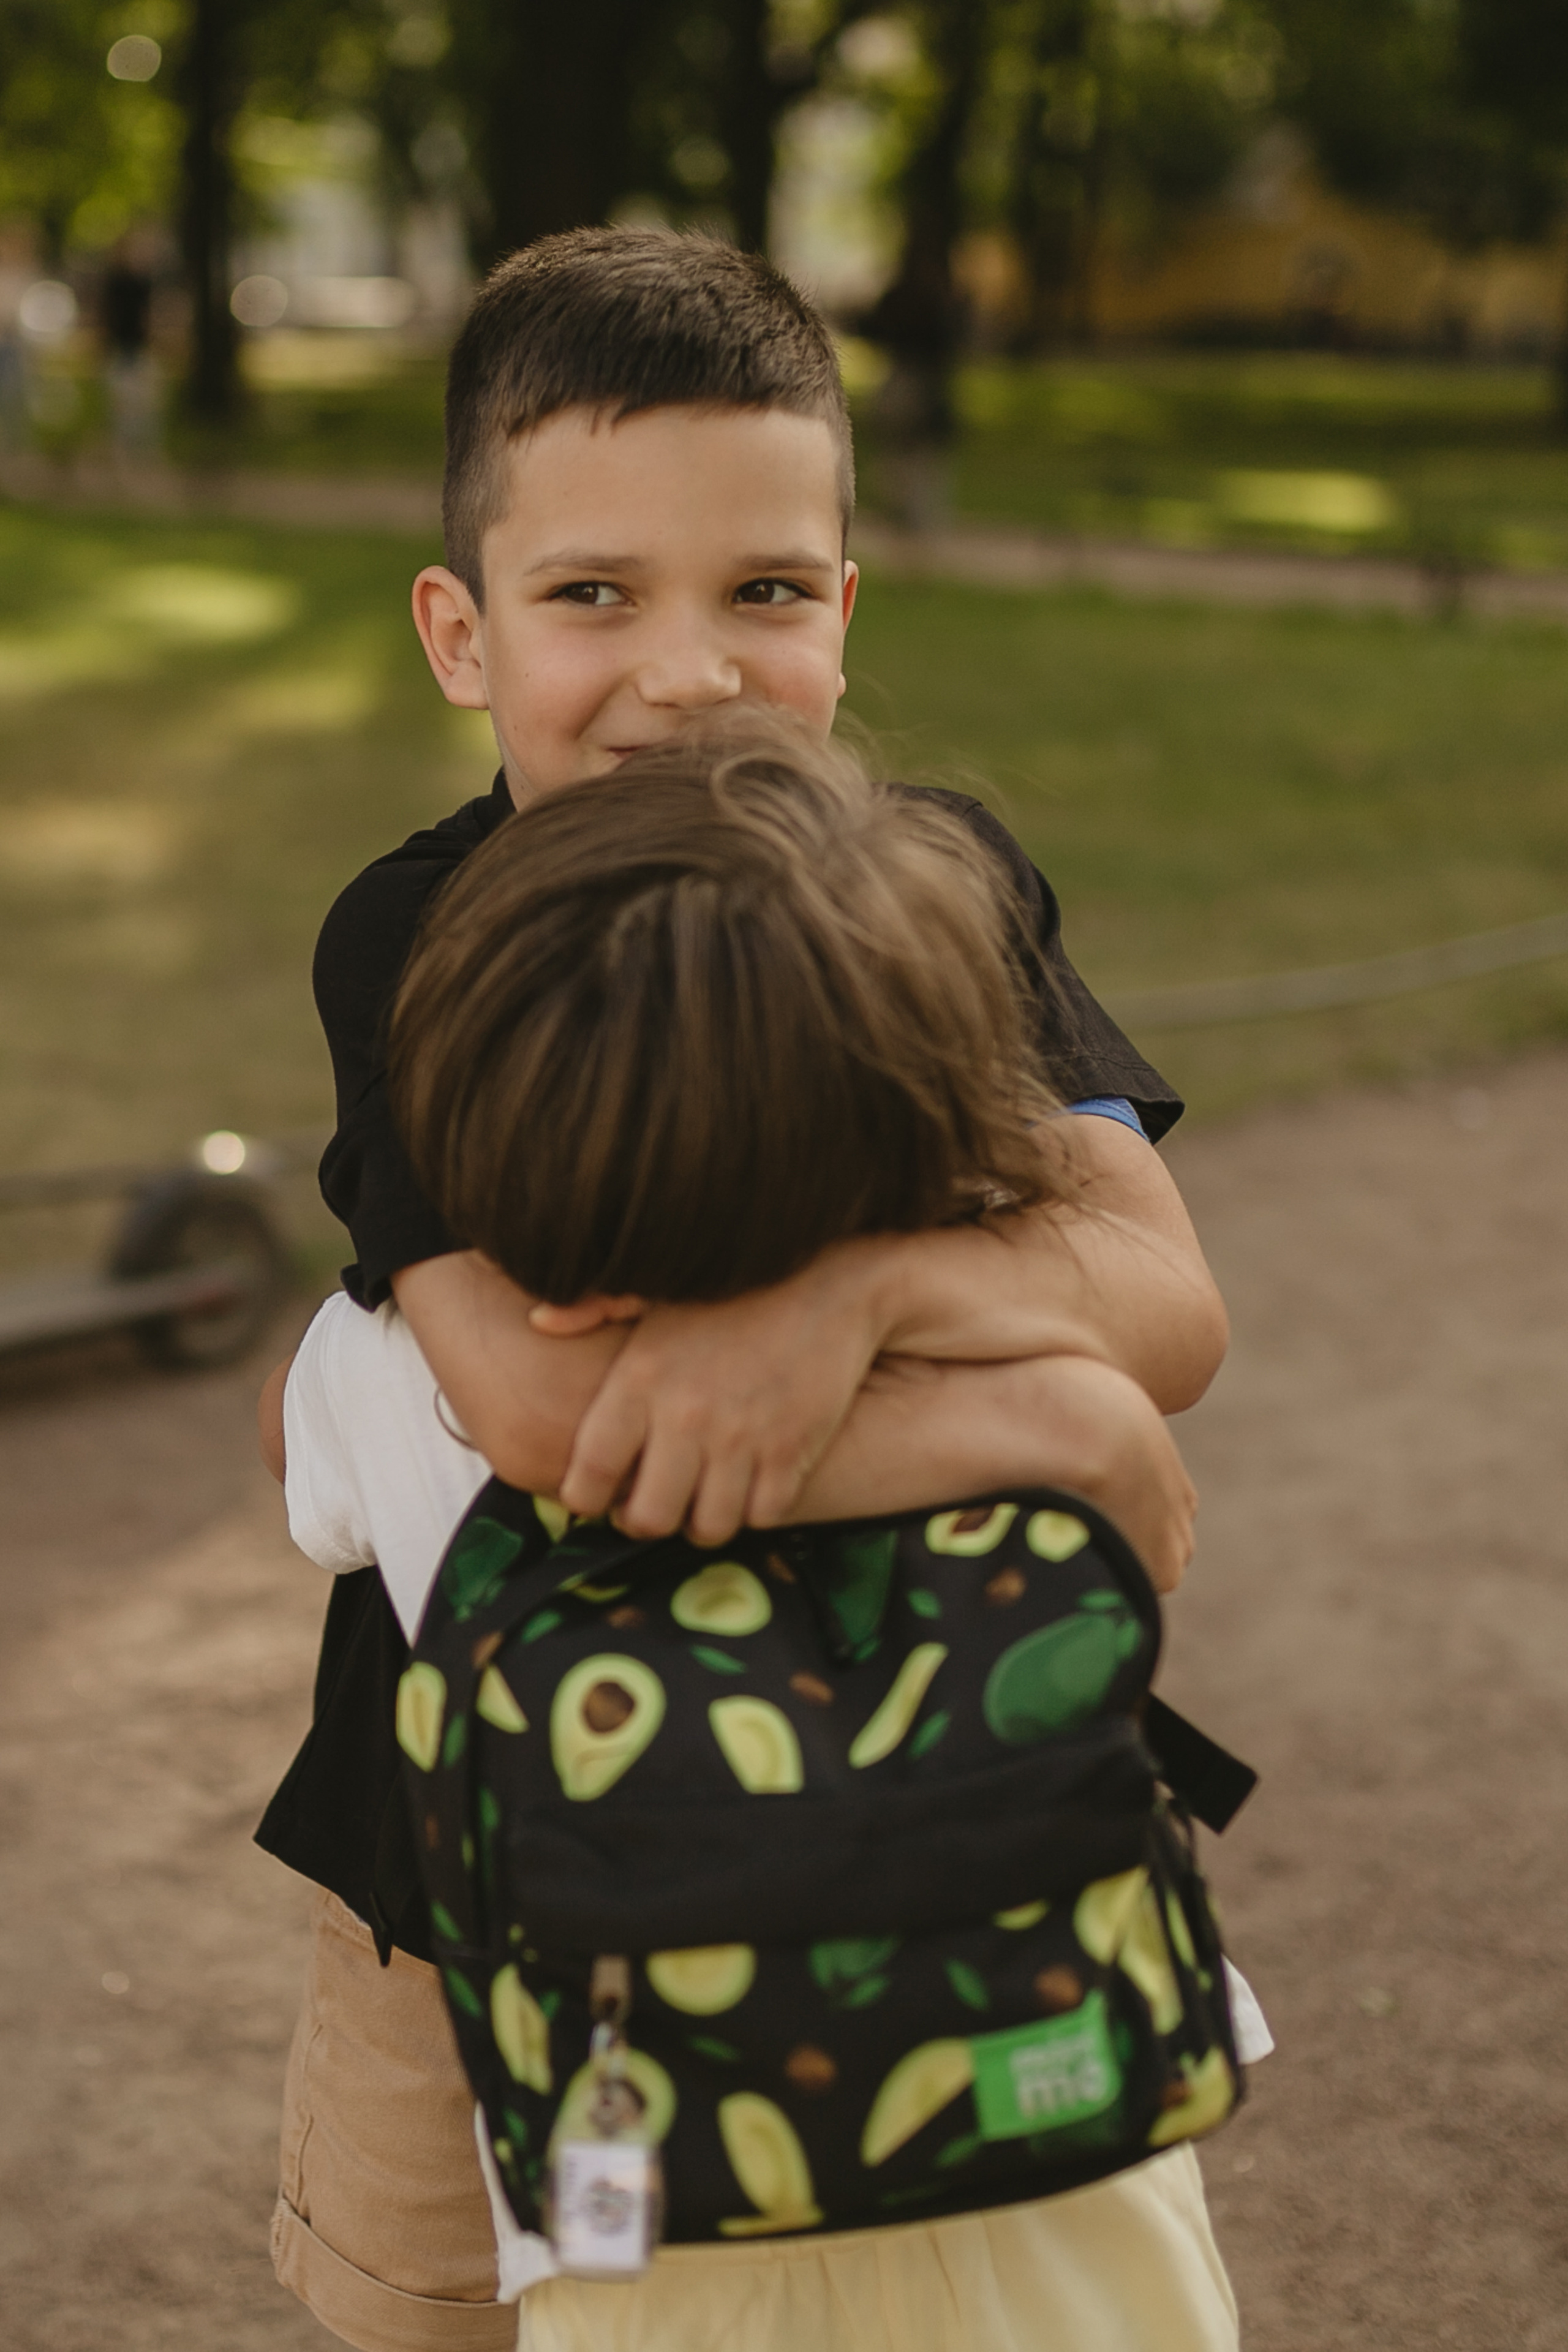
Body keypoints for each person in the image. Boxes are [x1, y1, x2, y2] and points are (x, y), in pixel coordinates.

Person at [264, 719, 1255, 2351]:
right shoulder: (1024, 1377)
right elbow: (1139, 1547)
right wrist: (1057, 1413)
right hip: (1057, 2168)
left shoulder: (397, 1381)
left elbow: (307, 1475)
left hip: (656, 2220)